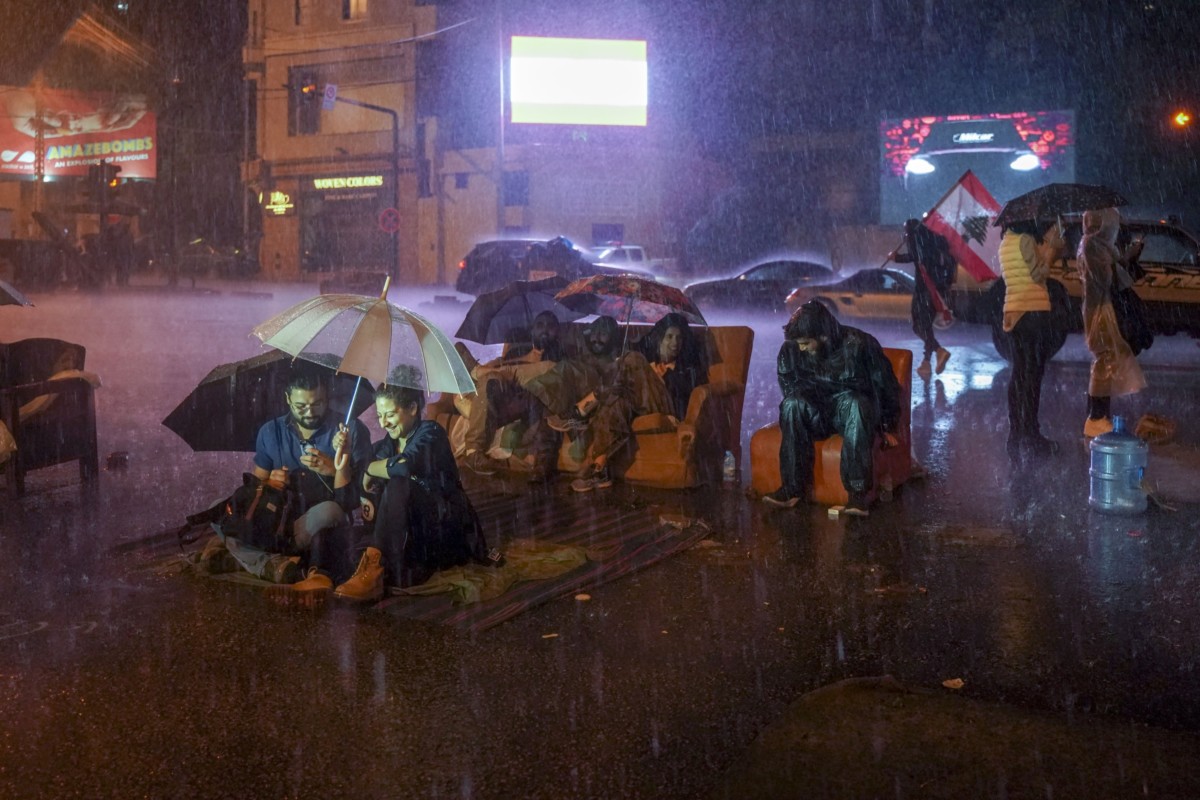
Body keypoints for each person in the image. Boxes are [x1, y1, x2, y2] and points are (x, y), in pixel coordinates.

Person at [333, 382, 492, 602]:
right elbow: (347, 499)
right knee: (340, 545)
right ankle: (380, 564)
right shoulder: (386, 445)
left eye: (390, 414)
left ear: (413, 408)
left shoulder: (431, 433)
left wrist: (370, 469)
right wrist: (344, 456)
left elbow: (403, 467)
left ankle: (379, 569)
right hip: (407, 536)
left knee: (399, 482)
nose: (383, 423)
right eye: (379, 415)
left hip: (442, 529)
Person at [211, 368, 373, 583]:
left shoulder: (350, 429)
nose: (309, 412)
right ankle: (271, 562)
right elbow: (255, 487)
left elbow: (361, 493)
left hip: (316, 526)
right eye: (301, 406)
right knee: (221, 508)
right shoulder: (271, 431)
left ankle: (253, 559)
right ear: (288, 399)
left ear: (327, 396)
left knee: (330, 511)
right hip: (277, 520)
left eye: (317, 404)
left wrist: (333, 470)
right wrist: (270, 482)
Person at [762, 300, 901, 516]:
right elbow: (789, 386)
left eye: (806, 343)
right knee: (791, 405)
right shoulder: (791, 349)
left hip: (849, 413)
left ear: (823, 336)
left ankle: (857, 495)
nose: (801, 348)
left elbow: (886, 387)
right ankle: (791, 489)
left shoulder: (859, 344)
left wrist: (888, 426)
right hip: (816, 414)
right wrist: (808, 402)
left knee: (856, 404)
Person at [571, 312, 709, 493]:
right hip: (642, 404)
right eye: (669, 337)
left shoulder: (685, 369)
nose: (675, 342)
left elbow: (687, 395)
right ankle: (599, 467)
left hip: (667, 408)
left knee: (633, 358)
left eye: (679, 338)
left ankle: (584, 408)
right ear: (659, 339)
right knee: (619, 402)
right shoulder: (649, 366)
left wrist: (660, 380)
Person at [458, 310, 565, 477]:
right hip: (486, 391)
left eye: (550, 326)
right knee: (458, 350)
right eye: (540, 325)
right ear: (532, 330)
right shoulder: (516, 352)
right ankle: (478, 375)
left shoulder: (556, 360)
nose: (544, 329)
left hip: (508, 398)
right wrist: (493, 368)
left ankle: (473, 452)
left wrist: (493, 372)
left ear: (557, 331)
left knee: (492, 379)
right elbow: (496, 365)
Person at [997, 217, 1067, 459]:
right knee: (1032, 375)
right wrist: (1052, 252)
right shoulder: (1025, 240)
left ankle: (1016, 433)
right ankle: (1031, 434)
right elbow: (1038, 275)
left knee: (1019, 373)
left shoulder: (1006, 242)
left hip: (1014, 312)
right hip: (1033, 313)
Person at [1078, 208, 1146, 438]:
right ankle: (1095, 417)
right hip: (1100, 309)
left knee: (1106, 360)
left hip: (1103, 307)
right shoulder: (1092, 246)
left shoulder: (1100, 246)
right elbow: (1107, 279)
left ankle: (1098, 416)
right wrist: (1123, 261)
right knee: (1104, 360)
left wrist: (1127, 258)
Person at [892, 218, 955, 379]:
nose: (905, 234)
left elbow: (915, 255)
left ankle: (939, 350)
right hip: (938, 289)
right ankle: (926, 362)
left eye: (906, 231)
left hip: (925, 289)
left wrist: (897, 257)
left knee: (918, 327)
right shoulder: (935, 241)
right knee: (926, 327)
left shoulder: (918, 241)